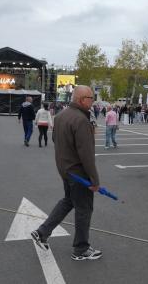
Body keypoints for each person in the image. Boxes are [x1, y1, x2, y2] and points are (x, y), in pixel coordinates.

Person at [31, 85, 102, 261]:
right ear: (81, 99)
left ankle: (42, 232)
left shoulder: (61, 115)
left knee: (68, 201)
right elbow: (87, 154)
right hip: (79, 174)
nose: (92, 101)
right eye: (90, 98)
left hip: (66, 170)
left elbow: (55, 139)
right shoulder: (81, 120)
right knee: (84, 209)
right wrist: (94, 179)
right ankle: (81, 249)